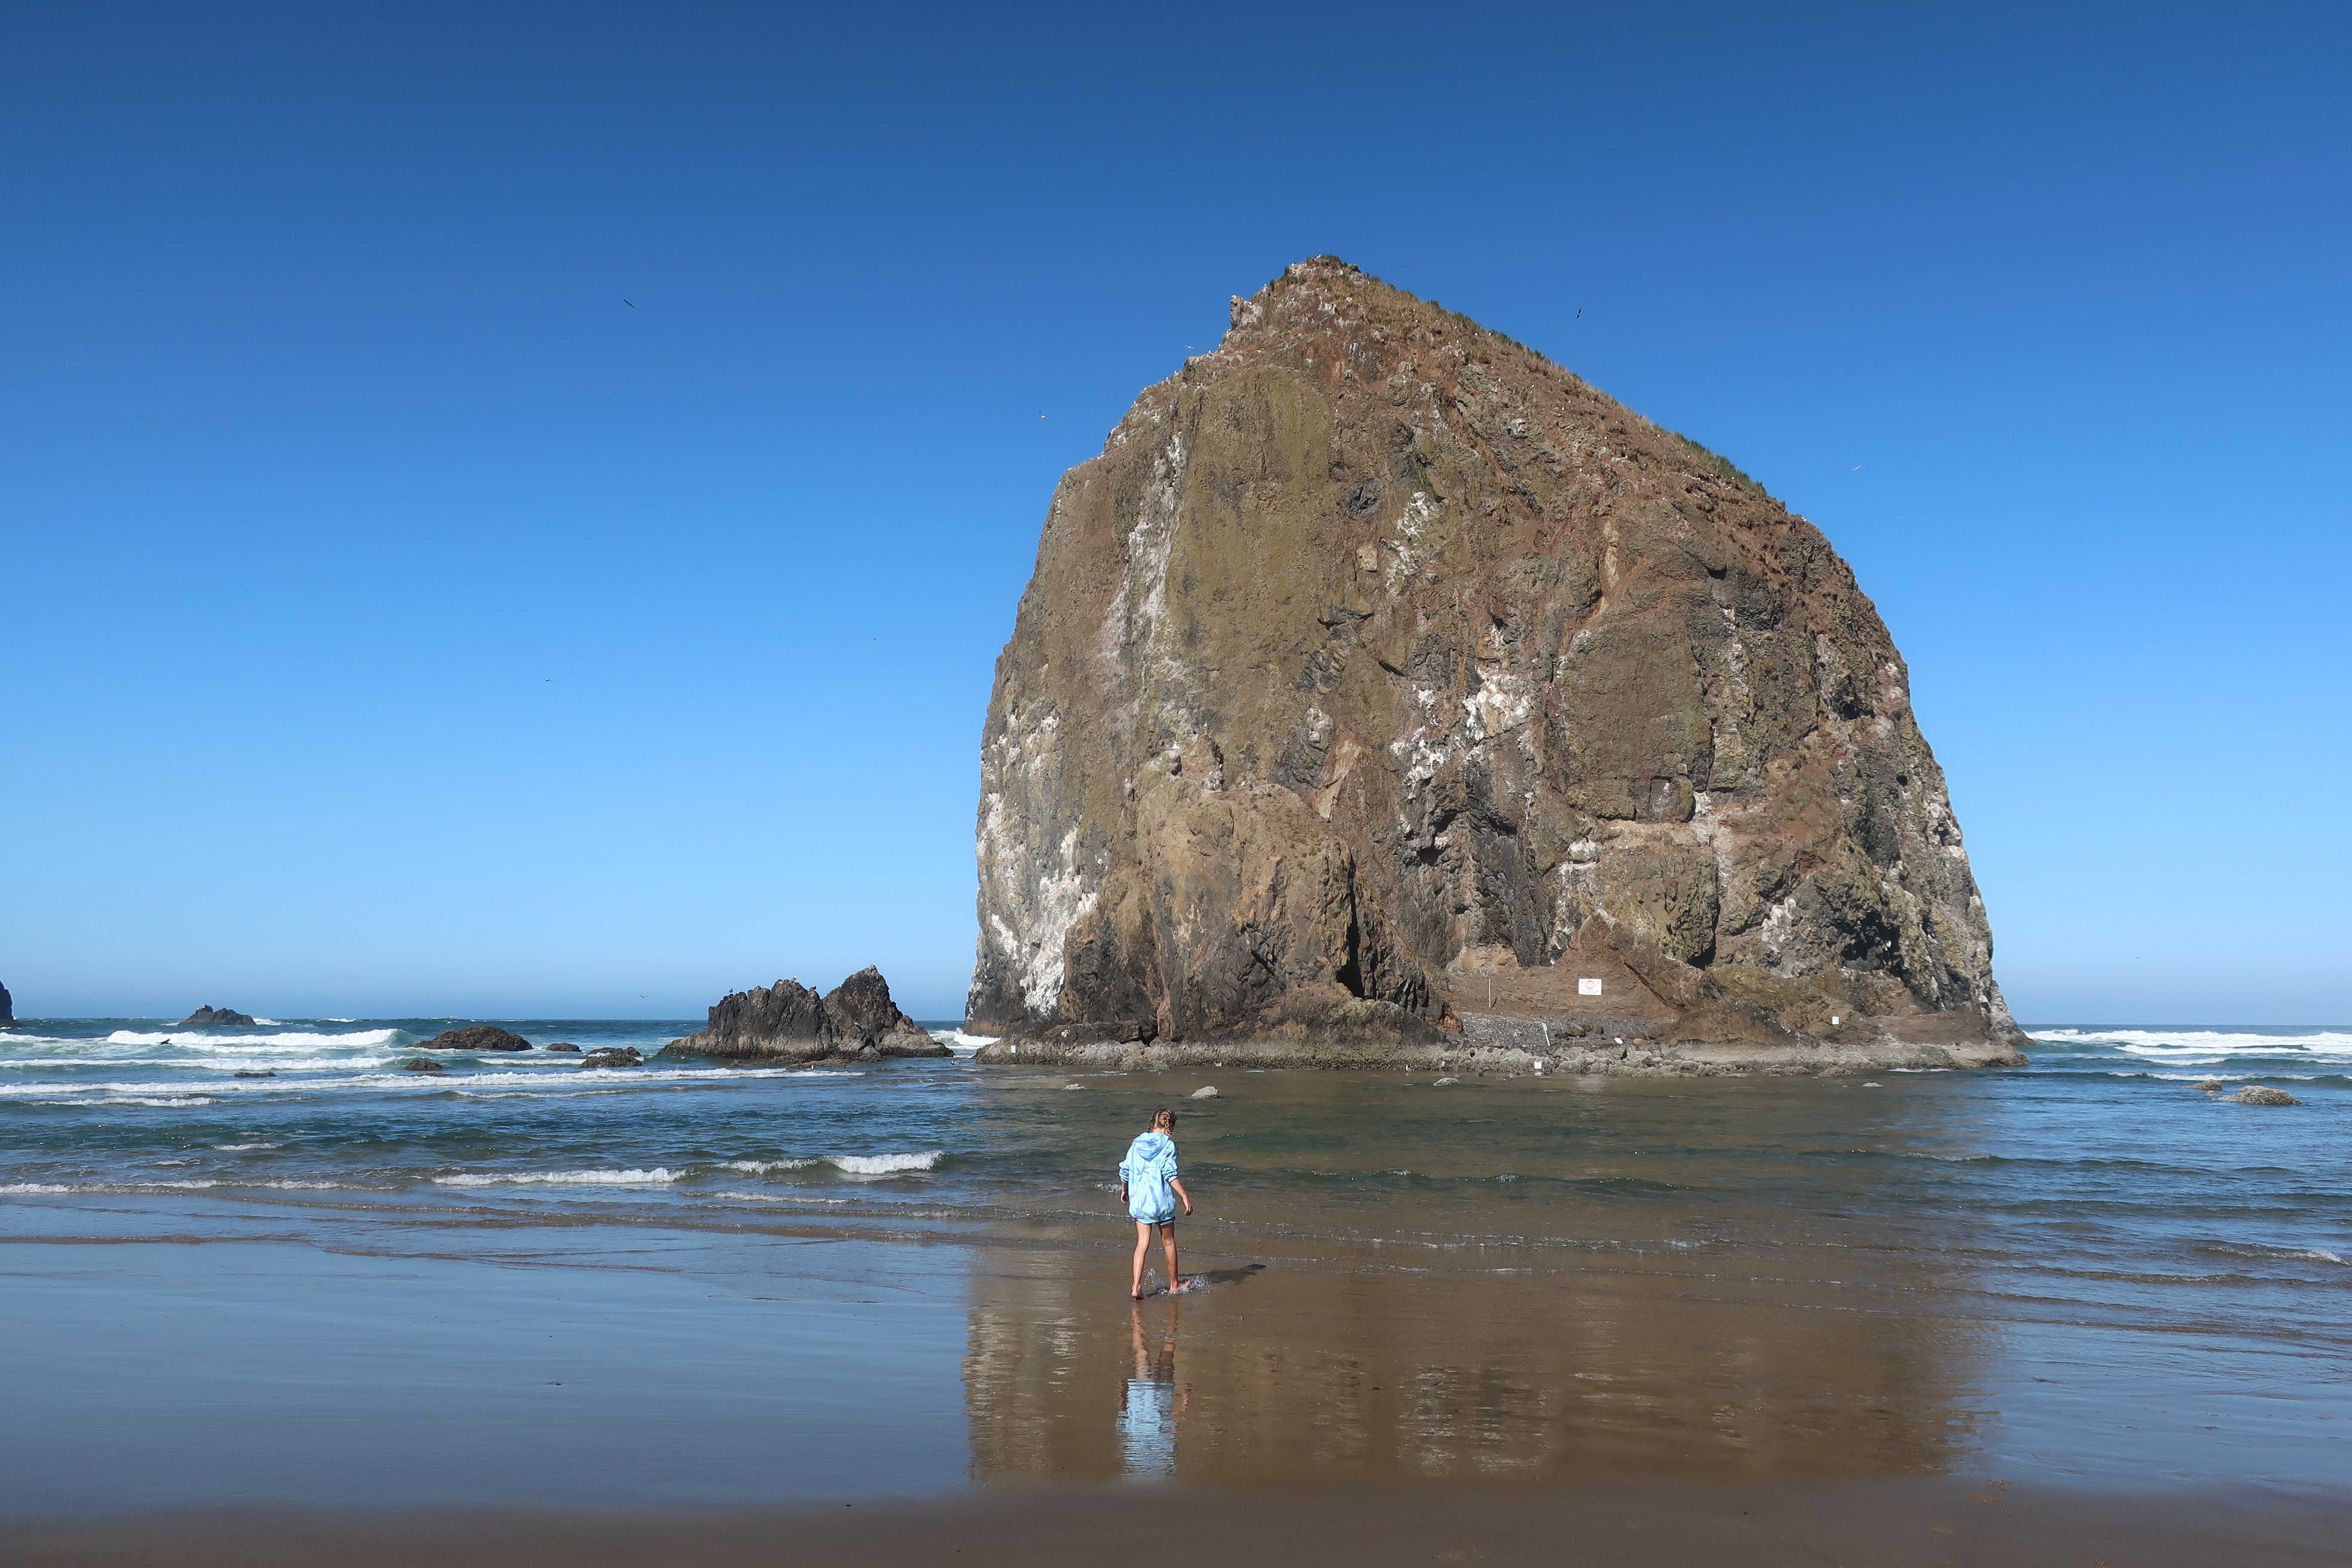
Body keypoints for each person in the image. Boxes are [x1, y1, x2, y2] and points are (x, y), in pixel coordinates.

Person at [1119, 1107, 1192, 1298]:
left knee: (1142, 1244)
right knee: (1168, 1242)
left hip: (1141, 1203)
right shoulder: (1168, 1145)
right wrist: (1184, 1196)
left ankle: (1136, 1287)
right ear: (1170, 1127)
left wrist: (1125, 1189)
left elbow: (1125, 1170)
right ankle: (1175, 1284)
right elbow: (1170, 1174)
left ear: (1152, 1124)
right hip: (1162, 1203)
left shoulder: (1136, 1144)